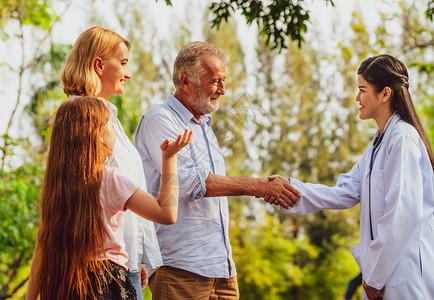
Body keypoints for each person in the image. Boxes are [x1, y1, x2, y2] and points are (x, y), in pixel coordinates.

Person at [134, 41, 301, 299]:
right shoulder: (160, 118)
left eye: (223, 80)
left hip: (222, 270)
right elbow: (189, 183)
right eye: (215, 81)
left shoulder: (205, 127)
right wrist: (259, 186)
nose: (223, 89)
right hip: (181, 269)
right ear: (186, 82)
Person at [266, 54, 434, 299]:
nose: (357, 98)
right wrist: (289, 190)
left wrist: (376, 276)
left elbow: (402, 212)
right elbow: (344, 192)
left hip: (402, 276)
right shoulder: (378, 143)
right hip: (382, 277)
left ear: (385, 93)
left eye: (362, 90)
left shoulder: (403, 139)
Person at [25, 97, 193, 299]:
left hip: (66, 286)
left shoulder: (57, 187)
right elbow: (166, 213)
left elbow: (41, 248)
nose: (115, 131)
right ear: (97, 134)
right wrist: (169, 158)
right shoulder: (109, 179)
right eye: (111, 125)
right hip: (107, 285)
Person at [60, 26, 161, 298]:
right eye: (124, 63)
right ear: (99, 65)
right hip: (95, 271)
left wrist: (138, 255)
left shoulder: (111, 118)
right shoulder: (81, 121)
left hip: (123, 264)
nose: (128, 73)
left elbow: (125, 195)